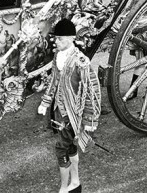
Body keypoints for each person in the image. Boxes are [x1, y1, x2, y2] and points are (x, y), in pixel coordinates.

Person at [38, 18, 101, 193]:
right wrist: (46, 101)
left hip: (73, 113)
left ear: (71, 38)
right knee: (70, 146)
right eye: (55, 39)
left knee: (61, 149)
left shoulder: (81, 61)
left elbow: (91, 91)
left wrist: (90, 119)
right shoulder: (58, 57)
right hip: (59, 111)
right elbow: (54, 81)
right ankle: (75, 182)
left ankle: (64, 188)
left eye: (60, 39)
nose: (56, 42)